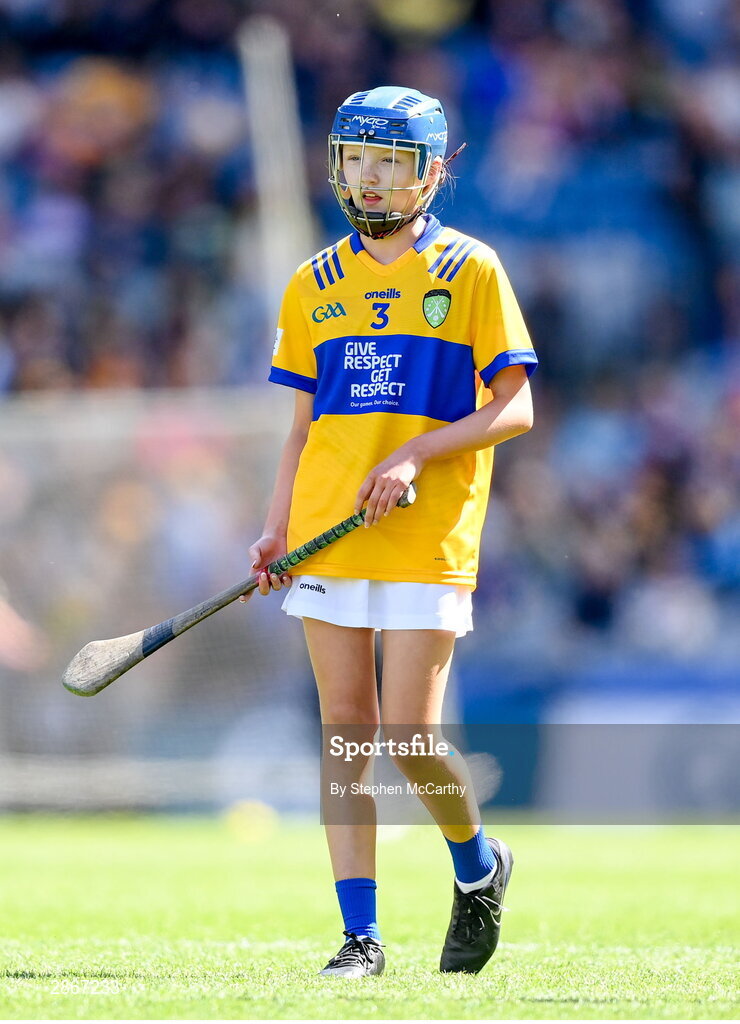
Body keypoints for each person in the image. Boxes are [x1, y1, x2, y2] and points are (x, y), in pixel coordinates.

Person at [244, 87, 537, 977]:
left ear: (433, 172)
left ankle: (478, 866)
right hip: (328, 533)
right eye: (356, 160)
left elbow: (515, 406)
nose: (369, 181)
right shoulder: (312, 284)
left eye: (391, 164)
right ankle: (359, 936)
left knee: (408, 734)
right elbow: (305, 430)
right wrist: (274, 527)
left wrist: (415, 454)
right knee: (344, 731)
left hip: (427, 533)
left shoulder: (470, 269)